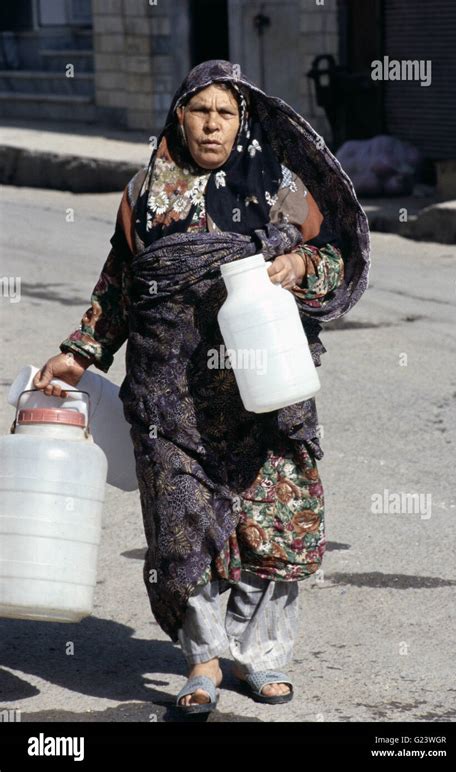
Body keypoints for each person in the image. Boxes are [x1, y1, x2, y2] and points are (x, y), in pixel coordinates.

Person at [34, 60, 370, 714]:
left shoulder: (281, 188)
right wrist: (81, 354)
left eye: (225, 112)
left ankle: (257, 658)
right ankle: (205, 660)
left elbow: (334, 259)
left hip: (268, 396)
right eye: (200, 110)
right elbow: (117, 287)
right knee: (180, 536)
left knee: (278, 527)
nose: (212, 124)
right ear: (179, 117)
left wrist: (301, 261)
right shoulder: (145, 194)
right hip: (170, 403)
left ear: (243, 120)